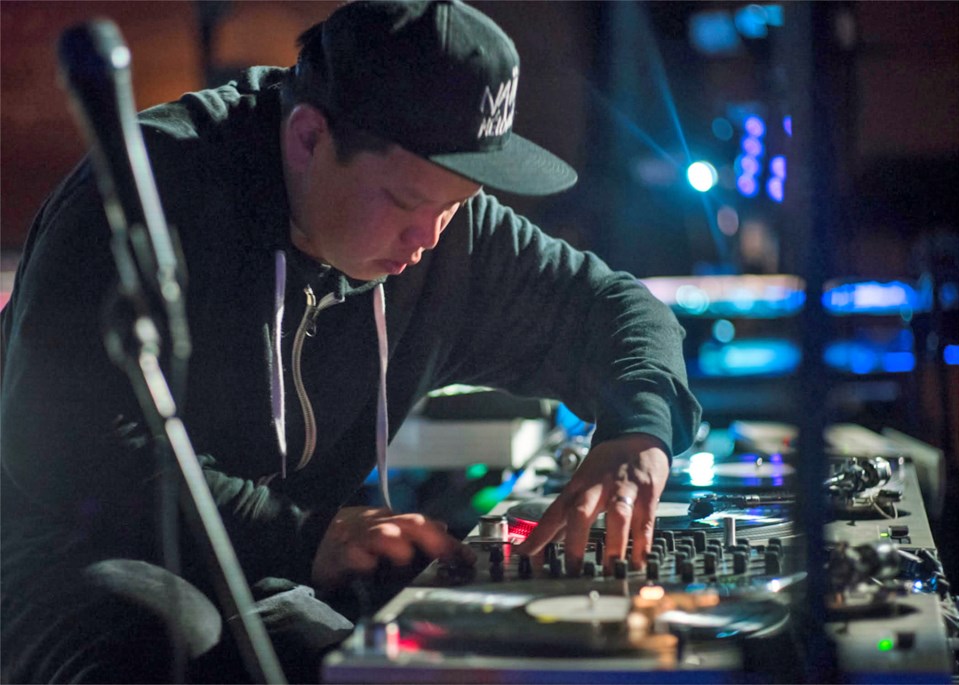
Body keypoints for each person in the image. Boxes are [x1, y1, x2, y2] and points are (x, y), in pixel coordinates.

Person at [0, 1, 701, 682]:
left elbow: (619, 310)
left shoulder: (449, 234)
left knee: (382, 664)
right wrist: (308, 536)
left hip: (263, 573)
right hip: (60, 555)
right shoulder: (153, 191)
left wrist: (637, 434)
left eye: (453, 204)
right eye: (404, 202)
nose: (427, 239)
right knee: (173, 641)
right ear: (309, 137)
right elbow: (63, 452)